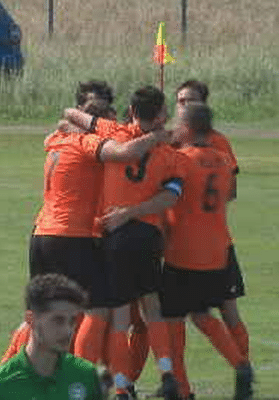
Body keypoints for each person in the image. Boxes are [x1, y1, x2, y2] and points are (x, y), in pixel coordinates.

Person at [0, 81, 171, 366]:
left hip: (42, 232)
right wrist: (158, 137)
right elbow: (125, 153)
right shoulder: (86, 142)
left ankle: (5, 375)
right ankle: (79, 380)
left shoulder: (57, 137)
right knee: (99, 310)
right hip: (70, 235)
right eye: (100, 117)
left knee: (39, 313)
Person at [65, 86, 182, 400]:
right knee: (152, 309)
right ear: (162, 115)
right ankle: (168, 374)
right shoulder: (170, 153)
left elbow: (72, 114)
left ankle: (120, 386)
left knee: (118, 317)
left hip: (114, 235)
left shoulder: (113, 131)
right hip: (148, 235)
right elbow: (171, 195)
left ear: (130, 110)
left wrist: (74, 119)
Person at [164, 103, 253, 400]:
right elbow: (227, 195)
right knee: (202, 314)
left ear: (187, 128)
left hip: (183, 252)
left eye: (177, 123)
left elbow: (168, 198)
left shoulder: (180, 161)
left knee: (172, 323)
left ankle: (183, 391)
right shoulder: (224, 160)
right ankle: (240, 364)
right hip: (216, 251)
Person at [174, 80, 250, 361]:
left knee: (223, 311)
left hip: (211, 243)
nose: (184, 106)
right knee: (183, 315)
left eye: (190, 101)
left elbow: (230, 190)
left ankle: (243, 366)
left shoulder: (215, 143)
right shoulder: (176, 141)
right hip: (201, 242)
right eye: (181, 101)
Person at [0, 274, 109, 400]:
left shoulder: (86, 376)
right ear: (31, 319)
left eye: (72, 321)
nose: (68, 331)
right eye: (58, 320)